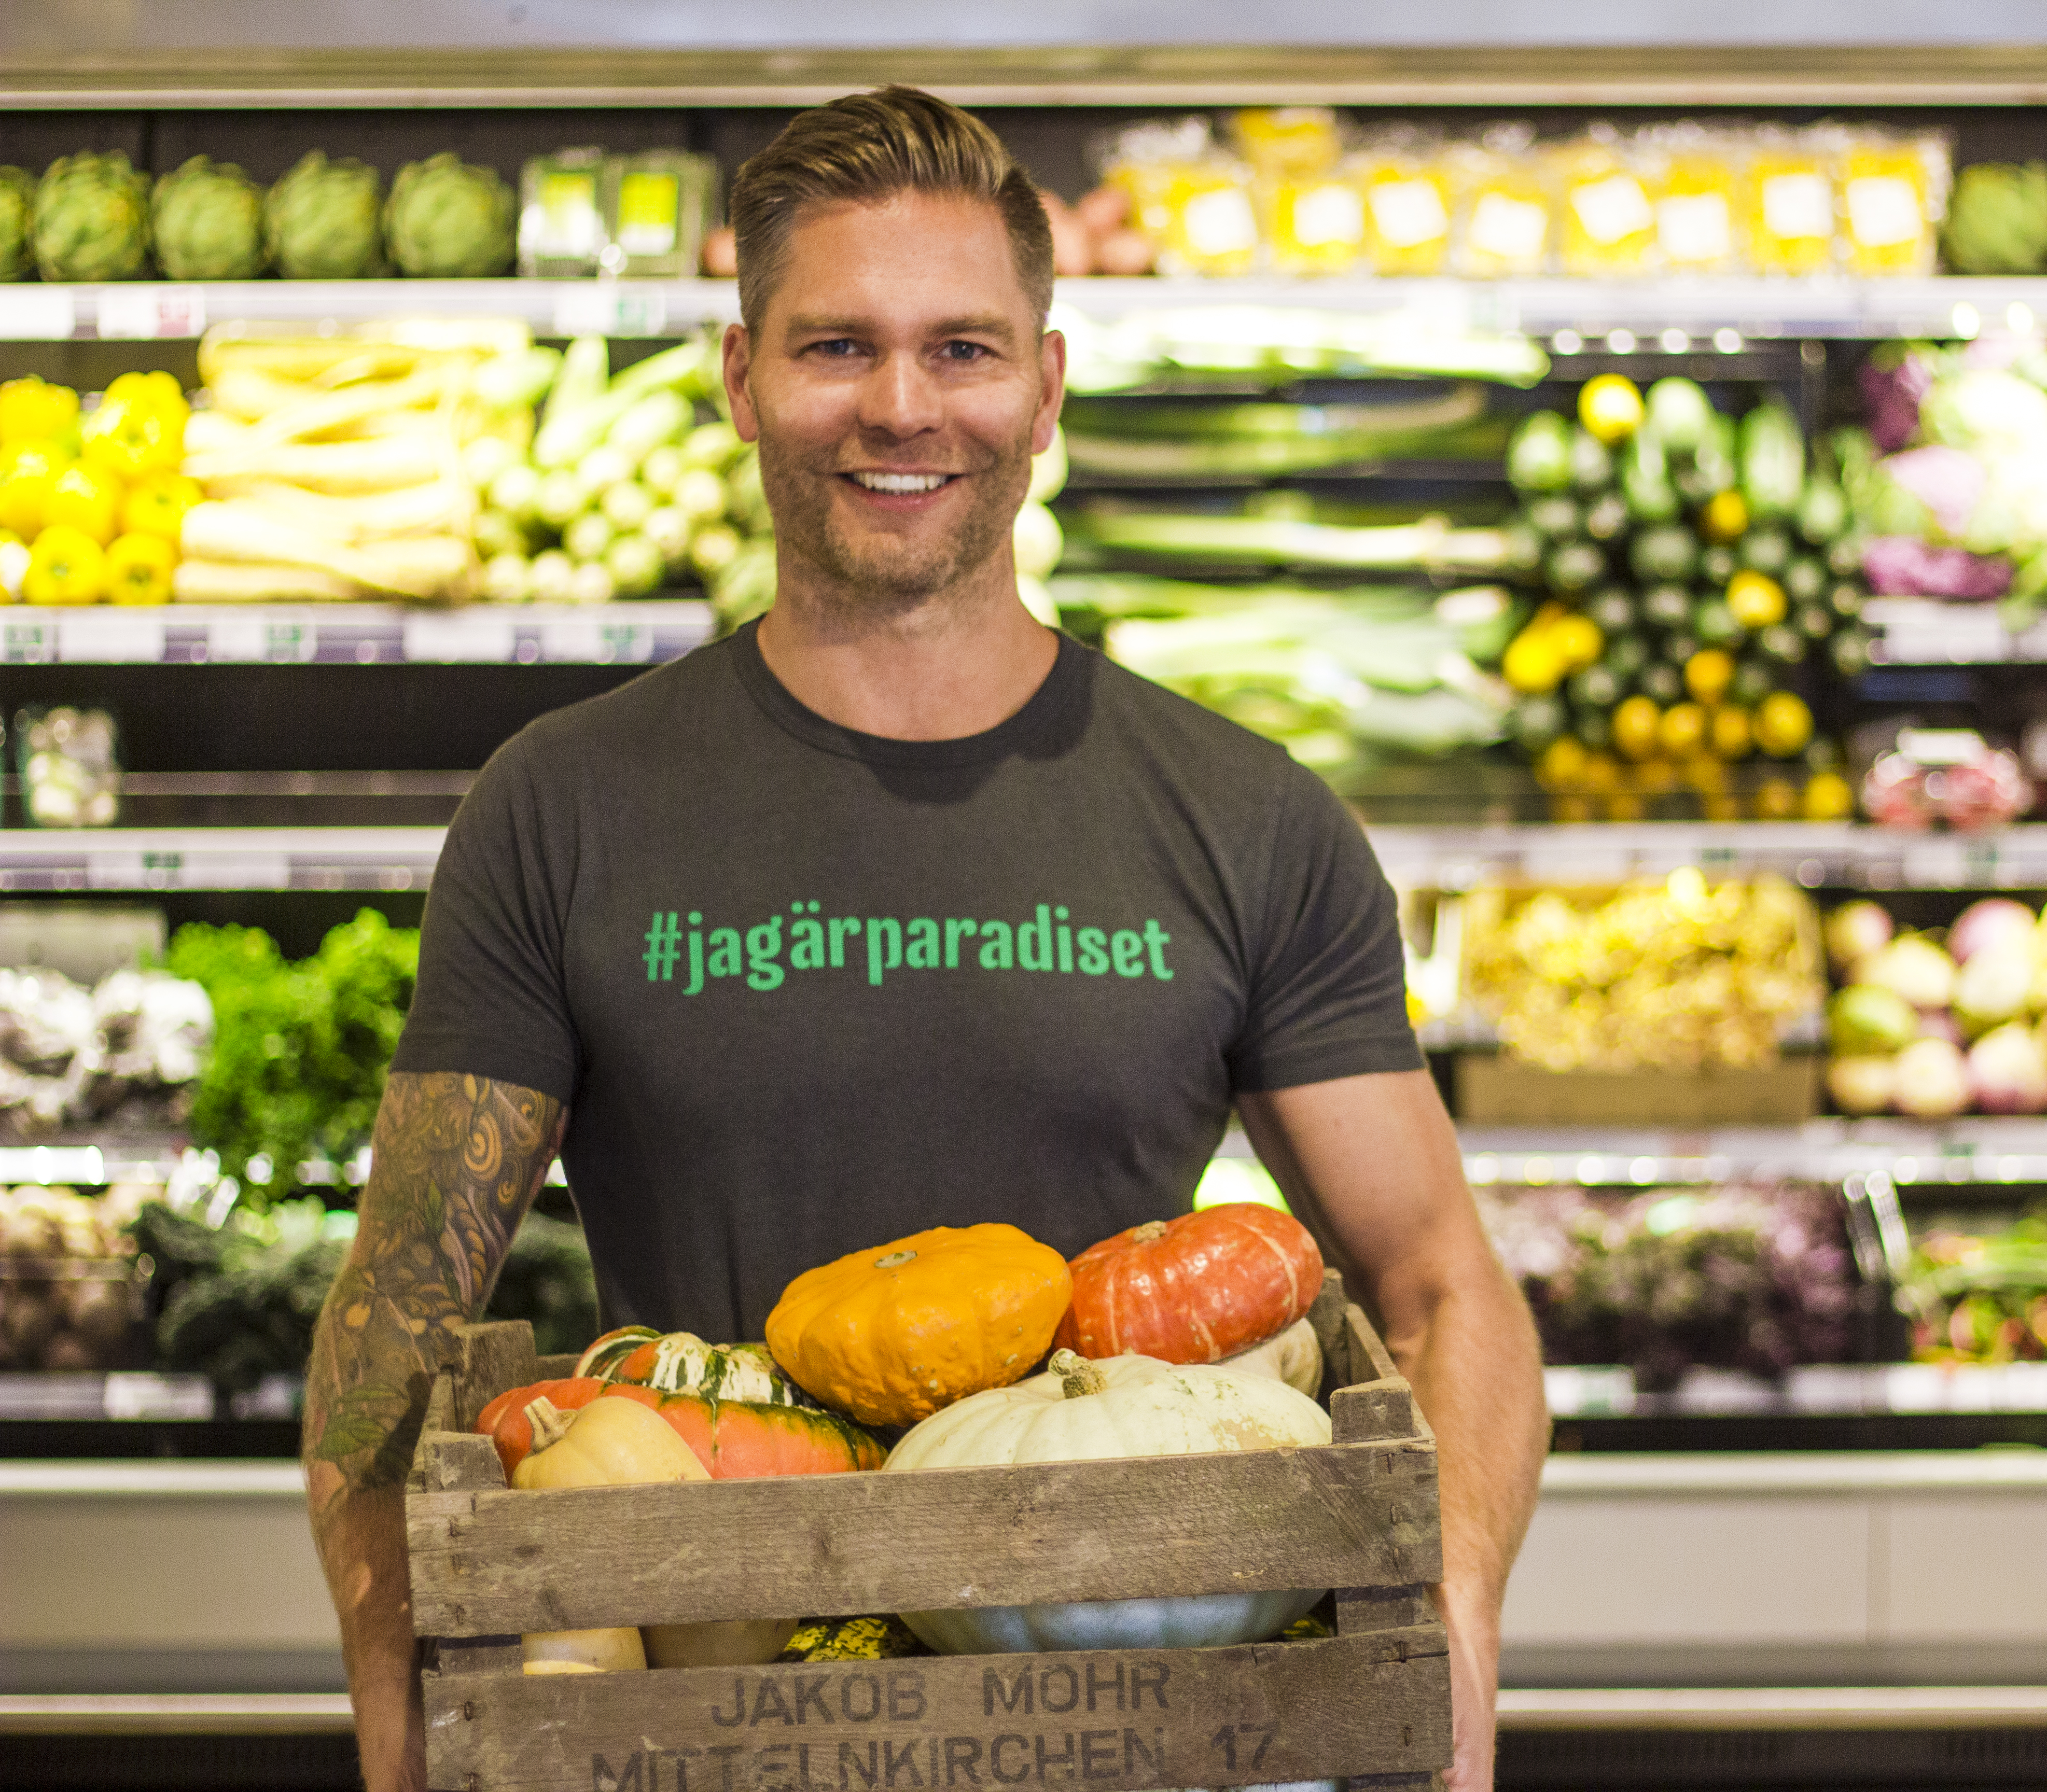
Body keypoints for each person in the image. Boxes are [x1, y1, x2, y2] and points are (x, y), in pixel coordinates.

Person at [300, 86, 1545, 1792]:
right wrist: (399, 1718)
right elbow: (393, 1323)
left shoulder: (1243, 813)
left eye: (962, 349)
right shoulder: (563, 805)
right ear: (742, 377)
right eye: (835, 347)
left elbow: (1441, 1285)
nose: (899, 407)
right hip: (702, 1706)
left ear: (1045, 385)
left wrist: (1451, 1639)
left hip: (1139, 1708)